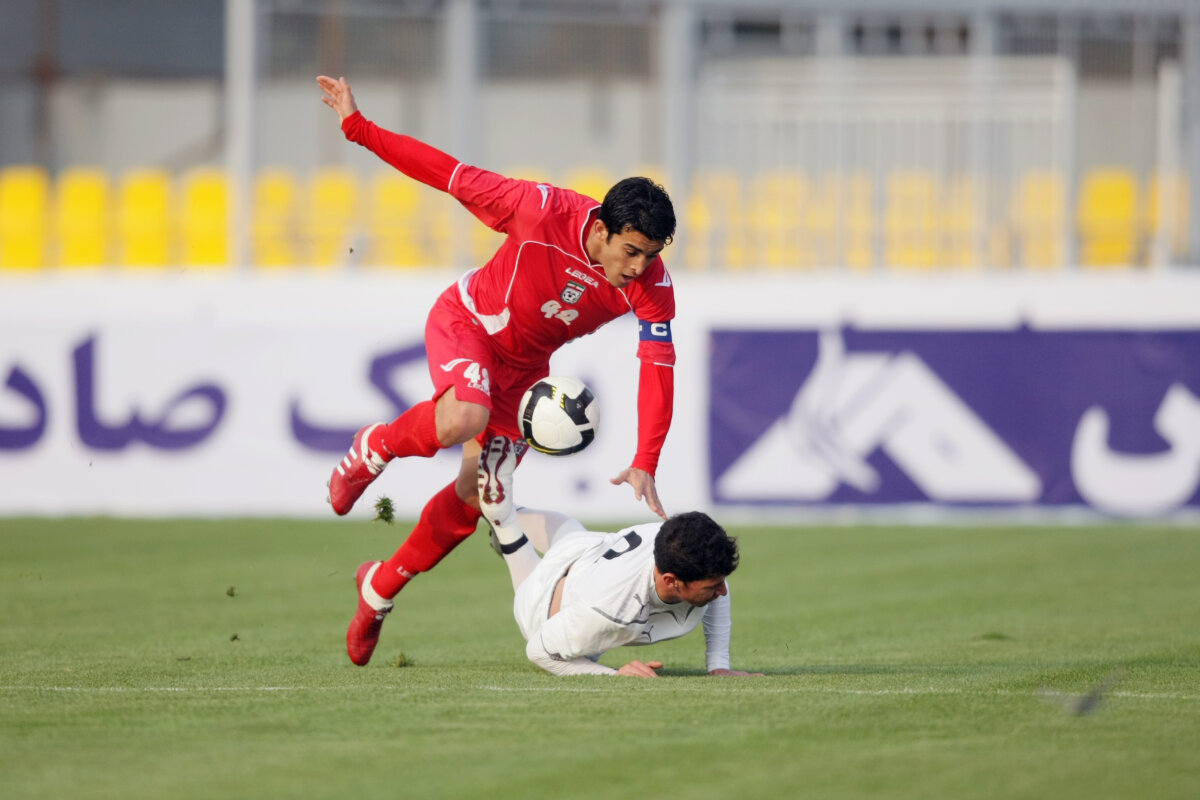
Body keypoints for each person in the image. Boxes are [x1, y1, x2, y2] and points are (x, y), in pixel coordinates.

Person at [317, 76, 680, 667]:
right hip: (470, 324)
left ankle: (378, 589)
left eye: (652, 255)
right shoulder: (539, 209)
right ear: (600, 229)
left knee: (482, 495)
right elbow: (447, 173)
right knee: (464, 415)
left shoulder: (652, 286)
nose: (640, 268)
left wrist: (646, 459)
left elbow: (658, 365)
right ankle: (374, 447)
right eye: (631, 251)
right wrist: (359, 128)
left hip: (524, 371)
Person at [475, 436, 763, 677]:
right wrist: (613, 674)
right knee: (521, 555)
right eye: (713, 586)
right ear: (671, 580)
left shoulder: (677, 542)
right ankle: (504, 521)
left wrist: (719, 666)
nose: (722, 591)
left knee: (570, 532)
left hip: (588, 549)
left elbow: (716, 586)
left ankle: (505, 511)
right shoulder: (612, 611)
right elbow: (538, 650)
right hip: (544, 606)